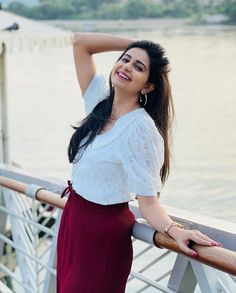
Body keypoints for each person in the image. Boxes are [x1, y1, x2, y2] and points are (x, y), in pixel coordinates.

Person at [56, 33, 221, 293]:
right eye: (125, 60)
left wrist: (174, 230)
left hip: (103, 235)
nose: (127, 67)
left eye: (139, 67)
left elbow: (148, 202)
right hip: (73, 219)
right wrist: (138, 44)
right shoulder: (99, 100)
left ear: (148, 86)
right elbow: (80, 43)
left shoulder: (141, 130)